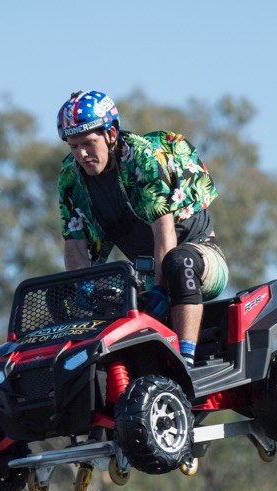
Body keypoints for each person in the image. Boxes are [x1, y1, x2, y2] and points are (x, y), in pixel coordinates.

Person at [56, 90, 228, 368]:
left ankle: (184, 363)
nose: (82, 154)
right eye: (74, 146)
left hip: (198, 260)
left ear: (111, 134)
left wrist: (160, 289)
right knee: (61, 293)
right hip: (143, 275)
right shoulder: (69, 176)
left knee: (177, 263)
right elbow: (74, 244)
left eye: (88, 143)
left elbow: (164, 230)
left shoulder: (142, 157)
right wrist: (83, 288)